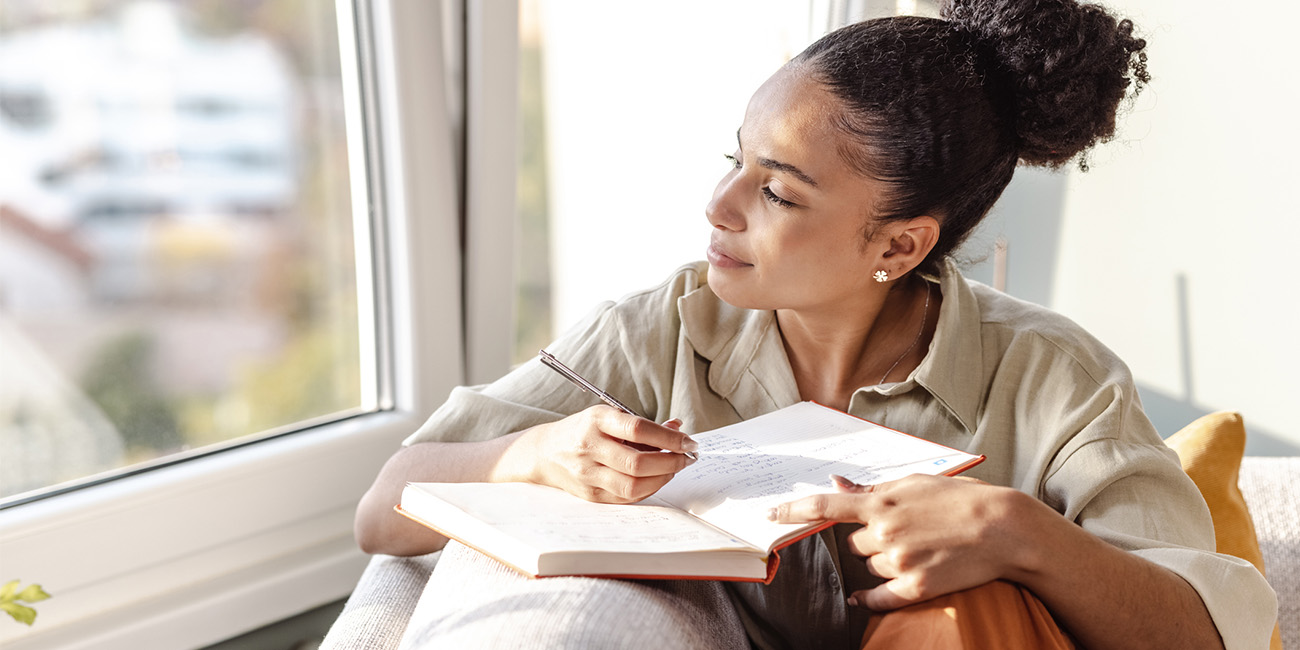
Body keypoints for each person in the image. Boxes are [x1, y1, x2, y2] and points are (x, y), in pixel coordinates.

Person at [354, 0, 1278, 648]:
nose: (719, 205)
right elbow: (382, 508)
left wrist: (1019, 535)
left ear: (900, 245)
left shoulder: (1055, 378)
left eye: (778, 192)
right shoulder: (658, 331)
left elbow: (1203, 630)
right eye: (735, 160)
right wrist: (533, 453)